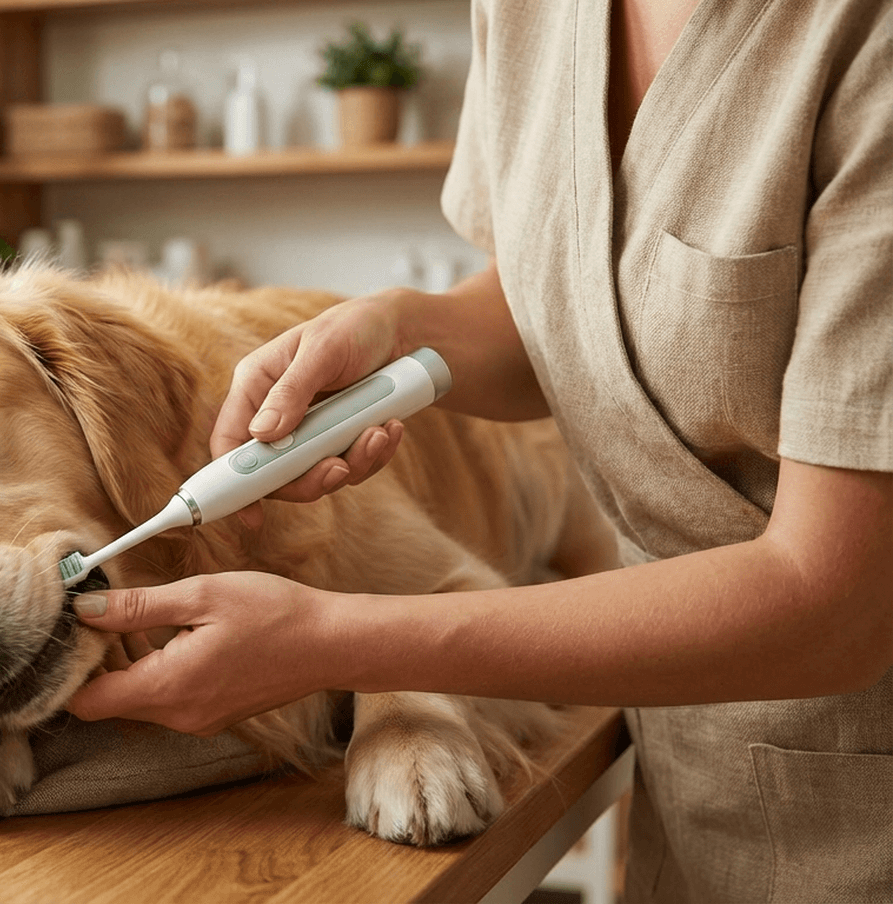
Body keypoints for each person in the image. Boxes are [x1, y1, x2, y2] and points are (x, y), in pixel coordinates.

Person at [64, 1, 893, 900]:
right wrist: (405, 326)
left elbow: (837, 604)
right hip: (694, 806)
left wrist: (337, 642)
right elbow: (578, 302)